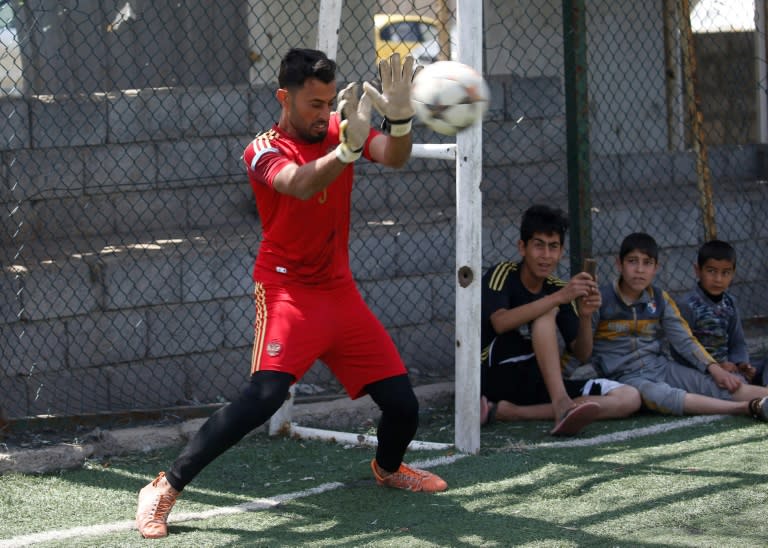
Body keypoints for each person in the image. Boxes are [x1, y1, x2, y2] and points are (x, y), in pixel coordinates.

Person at [134, 48, 446, 540]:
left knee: (404, 406)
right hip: (286, 291)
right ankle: (163, 487)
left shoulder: (343, 129)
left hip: (339, 293)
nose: (324, 114)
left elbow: (396, 157)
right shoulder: (261, 149)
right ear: (284, 96)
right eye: (314, 104)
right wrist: (345, 150)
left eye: (329, 104)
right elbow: (298, 184)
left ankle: (388, 468)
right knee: (263, 398)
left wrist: (402, 120)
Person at [479, 205, 641, 435]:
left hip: (541, 380)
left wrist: (585, 317)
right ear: (522, 247)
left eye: (553, 247)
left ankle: (515, 412)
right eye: (539, 246)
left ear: (561, 252)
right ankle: (561, 405)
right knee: (546, 313)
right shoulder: (503, 273)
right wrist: (559, 298)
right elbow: (500, 322)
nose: (546, 256)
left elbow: (582, 353)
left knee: (630, 398)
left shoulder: (559, 289)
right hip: (497, 376)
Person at [590, 232, 768, 421]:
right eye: (632, 261)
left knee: (717, 383)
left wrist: (715, 369)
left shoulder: (660, 298)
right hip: (626, 378)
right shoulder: (600, 299)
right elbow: (579, 350)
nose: (640, 269)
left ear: (656, 268)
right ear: (619, 264)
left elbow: (684, 339)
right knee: (665, 395)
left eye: (647, 263)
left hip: (661, 367)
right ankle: (747, 408)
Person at [676, 239, 764, 385]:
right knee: (736, 384)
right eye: (711, 271)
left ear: (733, 273)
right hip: (701, 372)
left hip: (729, 366)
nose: (718, 279)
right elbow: (681, 350)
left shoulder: (730, 303)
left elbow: (737, 342)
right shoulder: (687, 305)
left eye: (725, 273)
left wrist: (742, 364)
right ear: (698, 270)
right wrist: (716, 367)